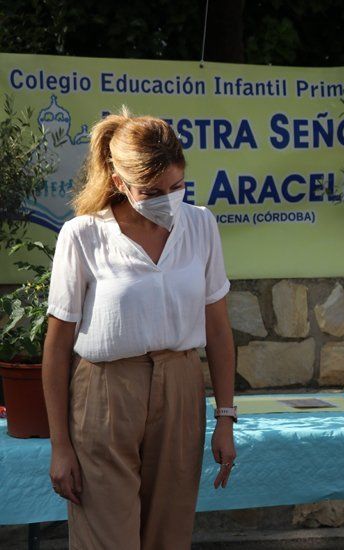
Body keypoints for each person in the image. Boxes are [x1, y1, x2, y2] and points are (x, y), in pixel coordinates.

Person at [42, 108, 237, 549]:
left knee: (169, 535)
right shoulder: (82, 235)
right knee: (106, 538)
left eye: (176, 187)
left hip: (182, 385)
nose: (167, 199)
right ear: (118, 182)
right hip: (106, 392)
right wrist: (60, 446)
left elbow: (219, 329)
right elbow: (56, 348)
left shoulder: (201, 225)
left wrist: (226, 417)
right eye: (151, 191)